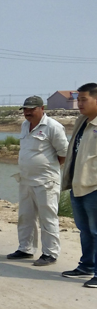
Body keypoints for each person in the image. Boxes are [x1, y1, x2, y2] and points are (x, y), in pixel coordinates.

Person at [6, 96, 68, 266]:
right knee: (25, 216)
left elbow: (63, 153)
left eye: (31, 109)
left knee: (47, 217)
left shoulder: (53, 127)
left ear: (42, 108)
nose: (27, 112)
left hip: (46, 181)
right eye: (25, 109)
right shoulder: (25, 125)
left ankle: (50, 253)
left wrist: (46, 168)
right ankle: (25, 249)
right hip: (26, 179)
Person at [61, 83, 97, 288]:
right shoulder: (82, 122)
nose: (79, 104)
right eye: (78, 99)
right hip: (78, 185)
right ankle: (86, 266)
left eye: (84, 99)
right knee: (85, 230)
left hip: (94, 188)